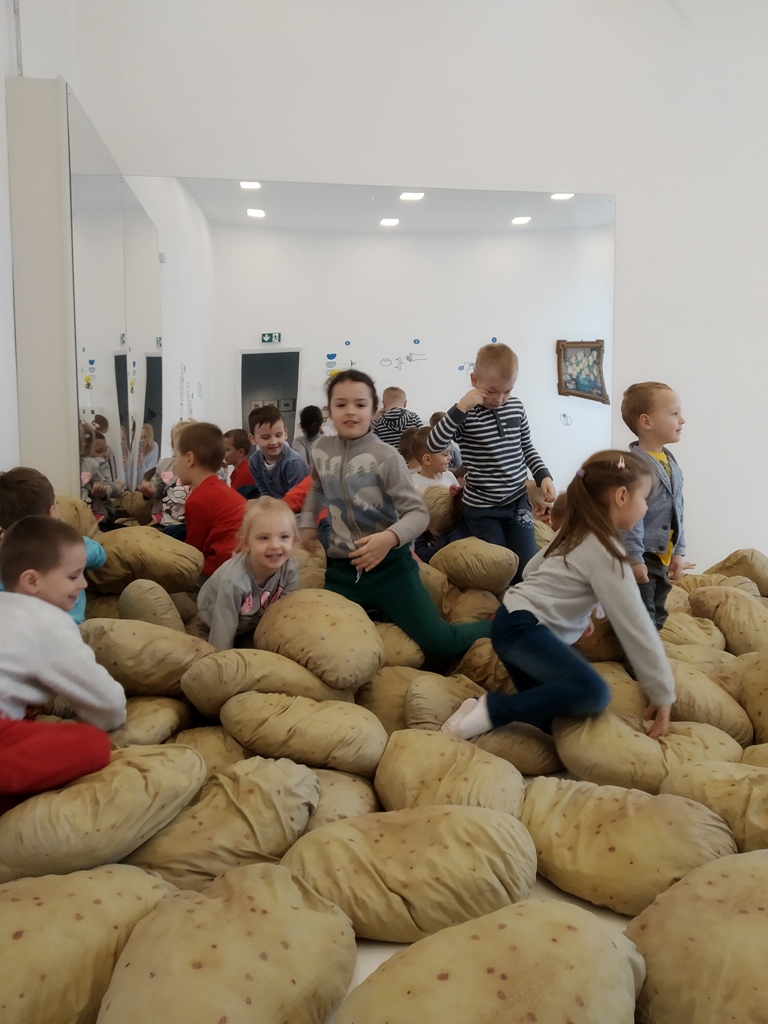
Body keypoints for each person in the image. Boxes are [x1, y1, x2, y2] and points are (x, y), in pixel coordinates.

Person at [441, 450, 675, 742]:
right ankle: (493, 708)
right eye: (644, 498)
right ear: (621, 496)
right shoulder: (609, 553)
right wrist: (663, 691)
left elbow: (532, 570)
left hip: (507, 621)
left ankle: (475, 710)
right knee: (594, 691)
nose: (646, 508)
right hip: (523, 631)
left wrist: (578, 611)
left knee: (548, 720)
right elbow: (636, 626)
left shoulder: (574, 532)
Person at [298, 369, 492, 660]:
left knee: (440, 643)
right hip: (343, 571)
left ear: (375, 411)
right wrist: (307, 521)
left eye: (360, 404)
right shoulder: (321, 449)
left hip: (391, 569)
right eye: (341, 404)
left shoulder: (386, 456)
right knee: (324, 647)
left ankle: (500, 625)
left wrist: (389, 539)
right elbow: (316, 487)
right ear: (329, 410)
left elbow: (418, 514)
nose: (350, 411)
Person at [0, 516, 126, 815]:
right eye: (73, 576)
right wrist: (111, 720)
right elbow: (105, 701)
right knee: (92, 744)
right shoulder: (49, 623)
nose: (83, 584)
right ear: (32, 581)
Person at [428, 343, 554, 583]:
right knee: (500, 566)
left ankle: (524, 600)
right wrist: (460, 408)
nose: (499, 399)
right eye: (492, 391)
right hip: (483, 509)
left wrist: (543, 475)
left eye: (507, 391)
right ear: (474, 380)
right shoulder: (464, 414)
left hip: (517, 501)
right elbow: (434, 444)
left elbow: (527, 447)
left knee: (526, 567)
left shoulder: (516, 407)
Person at [0, 467, 107, 625]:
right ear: (51, 512)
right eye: (73, 576)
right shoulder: (65, 543)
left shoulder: (5, 554)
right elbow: (100, 556)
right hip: (73, 628)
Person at [619, 382, 687, 630]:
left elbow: (678, 508)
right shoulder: (634, 466)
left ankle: (651, 644)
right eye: (674, 413)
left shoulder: (670, 461)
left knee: (659, 610)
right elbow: (630, 518)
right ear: (646, 422)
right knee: (642, 614)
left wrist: (678, 550)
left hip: (662, 556)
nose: (682, 419)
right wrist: (635, 558)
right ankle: (639, 652)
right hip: (643, 555)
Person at [198, 497, 300, 650]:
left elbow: (283, 612)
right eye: (263, 538)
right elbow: (222, 630)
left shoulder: (290, 568)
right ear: (246, 543)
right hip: (213, 625)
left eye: (284, 537)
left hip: (251, 625)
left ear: (294, 540)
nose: (275, 545)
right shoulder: (233, 581)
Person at [175, 422, 247, 579]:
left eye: (176, 456)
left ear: (189, 458)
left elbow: (192, 554)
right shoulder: (222, 490)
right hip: (244, 565)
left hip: (221, 572)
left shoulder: (197, 499)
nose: (174, 463)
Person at [139, 419, 196, 540]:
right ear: (172, 445)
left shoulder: (200, 468)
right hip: (163, 520)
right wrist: (150, 492)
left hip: (188, 524)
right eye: (178, 443)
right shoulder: (166, 466)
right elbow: (159, 488)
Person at [246, 406, 309, 499]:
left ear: (285, 433)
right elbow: (264, 491)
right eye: (266, 437)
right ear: (253, 439)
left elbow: (298, 498)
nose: (274, 442)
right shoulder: (254, 461)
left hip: (299, 504)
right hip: (277, 504)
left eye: (278, 435)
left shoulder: (294, 463)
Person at [79, 421, 123, 525]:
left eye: (105, 450)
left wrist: (105, 491)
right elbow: (109, 487)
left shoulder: (91, 465)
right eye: (99, 451)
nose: (105, 455)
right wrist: (117, 486)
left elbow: (107, 486)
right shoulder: (92, 464)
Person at [411, 427, 460, 493]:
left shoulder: (449, 476)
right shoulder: (413, 484)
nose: (450, 457)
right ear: (427, 459)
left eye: (449, 452)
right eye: (445, 454)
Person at [293, 405, 324, 469]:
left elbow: (301, 467)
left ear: (302, 425)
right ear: (321, 423)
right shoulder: (329, 441)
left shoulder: (298, 442)